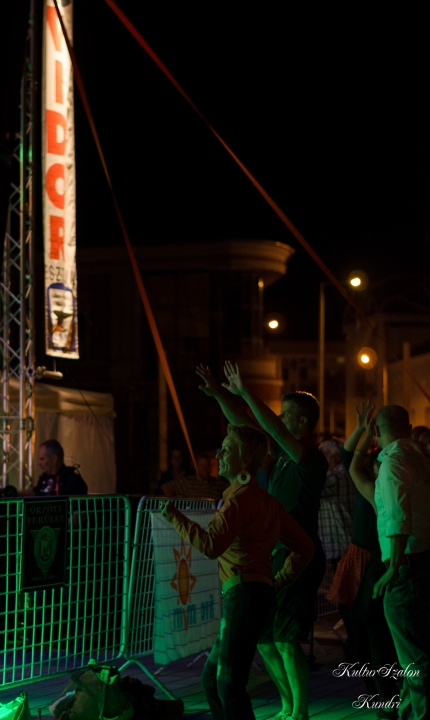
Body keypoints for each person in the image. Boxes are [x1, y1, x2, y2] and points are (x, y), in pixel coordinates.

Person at [196, 362, 327, 720]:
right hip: (275, 553)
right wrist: (220, 394)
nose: (279, 419)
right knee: (266, 639)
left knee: (285, 638)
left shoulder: (310, 459)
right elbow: (247, 427)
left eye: (286, 414)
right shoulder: (281, 456)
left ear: (303, 422)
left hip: (297, 554)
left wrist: (245, 392)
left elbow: (269, 427)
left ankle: (300, 712)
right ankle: (287, 705)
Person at [159, 423, 314, 720]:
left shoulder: (239, 499)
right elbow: (305, 547)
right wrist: (278, 580)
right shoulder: (267, 501)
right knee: (213, 680)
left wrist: (174, 516)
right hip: (257, 595)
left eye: (226, 449)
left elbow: (211, 545)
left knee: (228, 682)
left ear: (244, 460)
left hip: (244, 596)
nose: (218, 454)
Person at [349, 404, 430, 720]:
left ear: (377, 431)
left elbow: (398, 517)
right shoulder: (419, 459)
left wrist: (393, 567)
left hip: (406, 567)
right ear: (408, 429)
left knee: (415, 661)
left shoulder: (392, 464)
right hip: (422, 562)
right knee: (418, 651)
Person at [318, 438, 355, 563]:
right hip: (348, 546)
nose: (320, 460)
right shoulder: (352, 473)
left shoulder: (335, 478)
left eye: (323, 455)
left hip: (338, 550)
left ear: (337, 456)